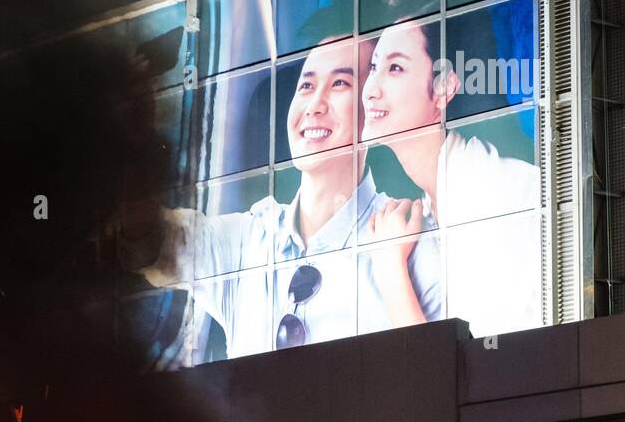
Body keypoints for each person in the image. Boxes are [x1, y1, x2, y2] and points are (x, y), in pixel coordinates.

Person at [120, 35, 440, 359]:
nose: (315, 105)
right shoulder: (248, 241)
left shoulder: (408, 241)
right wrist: (132, 139)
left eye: (340, 83)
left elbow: (438, 377)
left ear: (372, 106)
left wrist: (392, 267)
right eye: (306, 86)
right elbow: (151, 242)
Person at [360, 21, 541, 336]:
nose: (371, 89)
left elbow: (461, 371)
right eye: (374, 67)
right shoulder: (446, 194)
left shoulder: (491, 196)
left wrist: (389, 267)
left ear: (444, 89)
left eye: (395, 68)